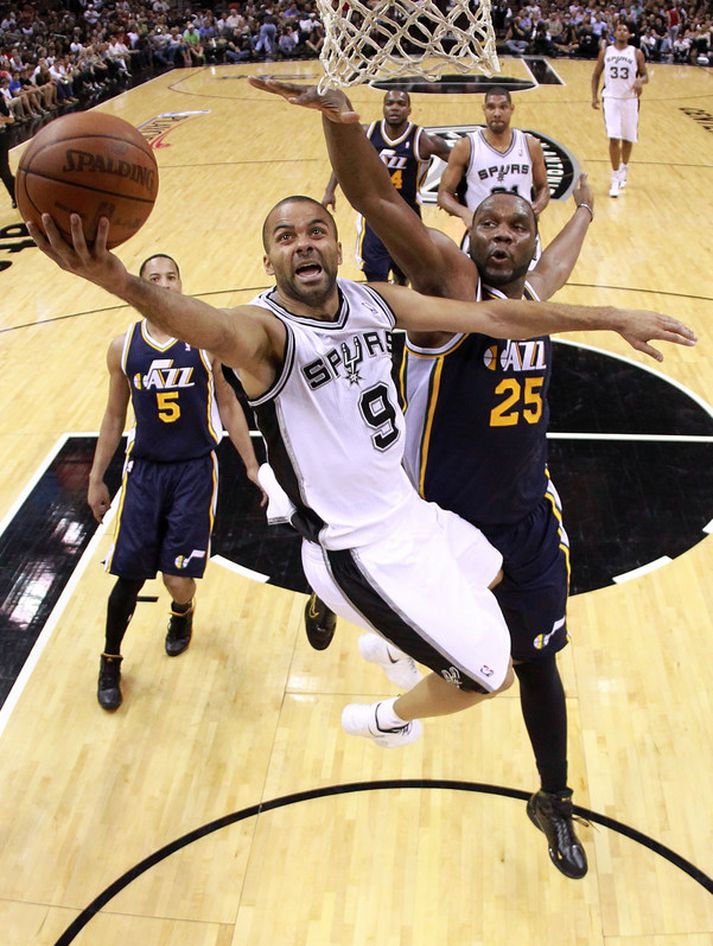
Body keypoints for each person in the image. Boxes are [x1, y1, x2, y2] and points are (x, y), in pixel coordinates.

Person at [28, 188, 693, 766]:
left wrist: (612, 317)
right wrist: (120, 282)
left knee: (496, 574)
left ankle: (400, 643)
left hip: (408, 512)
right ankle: (385, 718)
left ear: (339, 249)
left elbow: (495, 315)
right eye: (284, 237)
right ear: (267, 262)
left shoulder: (372, 302)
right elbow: (210, 327)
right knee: (490, 680)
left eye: (316, 231)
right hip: (355, 546)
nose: (303, 244)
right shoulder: (265, 334)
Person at [247, 78, 688, 880]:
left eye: (516, 223)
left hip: (522, 518)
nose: (500, 232)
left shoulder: (535, 290)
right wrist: (343, 122)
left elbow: (555, 263)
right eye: (485, 219)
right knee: (393, 589)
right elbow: (373, 200)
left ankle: (551, 797)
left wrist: (585, 209)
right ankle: (334, 597)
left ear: (529, 236)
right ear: (465, 229)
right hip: (427, 515)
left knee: (538, 659)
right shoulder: (450, 286)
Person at [87, 253, 264, 711]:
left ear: (181, 284)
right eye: (153, 278)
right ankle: (110, 660)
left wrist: (250, 464)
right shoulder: (123, 347)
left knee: (177, 578)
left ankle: (182, 611)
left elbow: (228, 405)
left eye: (170, 277)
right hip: (144, 471)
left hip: (194, 470)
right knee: (126, 577)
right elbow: (112, 417)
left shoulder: (204, 343)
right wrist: (95, 478)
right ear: (141, 288)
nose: (164, 284)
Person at [322, 90, 451, 284]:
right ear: (383, 106)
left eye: (400, 104)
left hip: (408, 215)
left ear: (409, 109)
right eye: (390, 103)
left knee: (406, 271)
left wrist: (449, 190)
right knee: (375, 275)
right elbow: (346, 160)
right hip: (375, 215)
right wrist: (329, 191)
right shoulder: (368, 133)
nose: (394, 108)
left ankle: (400, 297)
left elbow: (458, 162)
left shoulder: (422, 140)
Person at [437, 86, 549, 251]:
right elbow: (444, 194)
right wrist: (465, 213)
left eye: (503, 107)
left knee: (532, 277)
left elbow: (543, 188)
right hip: (483, 235)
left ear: (511, 109)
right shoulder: (466, 146)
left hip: (521, 235)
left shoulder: (531, 145)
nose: (497, 113)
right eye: (491, 107)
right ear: (484, 109)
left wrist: (538, 205)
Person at [592, 21, 649, 197]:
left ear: (630, 34)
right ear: (614, 33)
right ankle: (615, 177)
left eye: (625, 30)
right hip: (610, 99)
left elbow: (645, 74)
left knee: (628, 138)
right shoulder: (606, 52)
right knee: (614, 138)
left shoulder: (636, 53)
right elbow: (595, 75)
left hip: (630, 100)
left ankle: (624, 167)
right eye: (619, 29)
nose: (622, 32)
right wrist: (594, 97)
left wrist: (641, 80)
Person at [0, 92, 16, 208]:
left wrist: (2, 119)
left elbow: (11, 120)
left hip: (1, 137)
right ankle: (16, 186)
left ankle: (15, 196)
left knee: (3, 170)